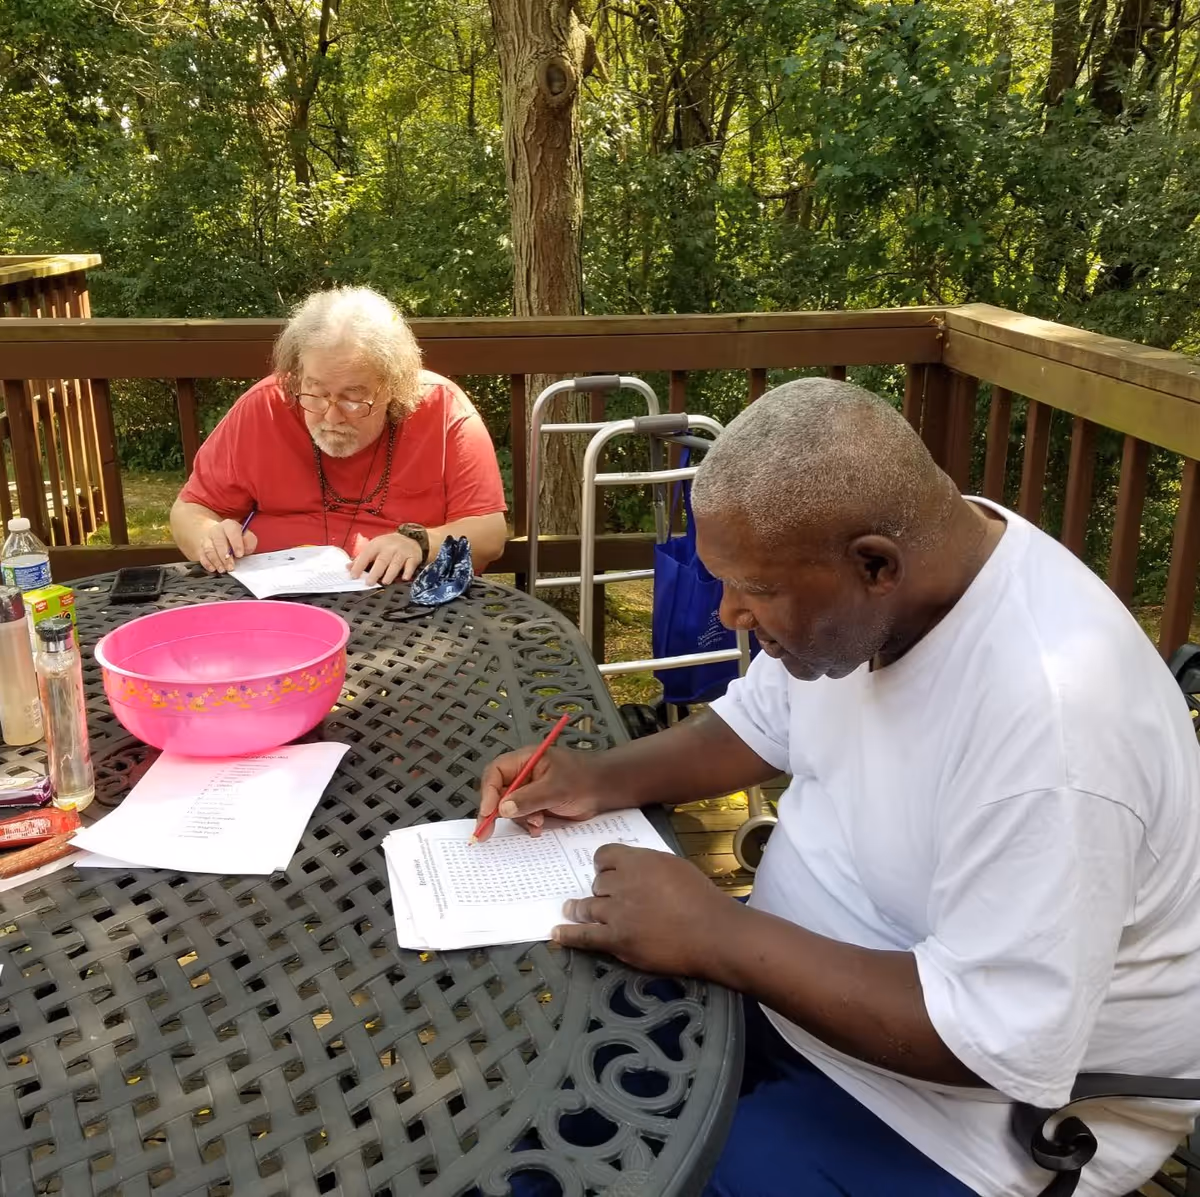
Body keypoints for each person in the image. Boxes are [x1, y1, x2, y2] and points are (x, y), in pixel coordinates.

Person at [475, 379, 1200, 1197]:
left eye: (755, 591)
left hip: (961, 1115)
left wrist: (713, 932)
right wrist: (595, 778)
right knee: (542, 1122)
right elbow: (754, 723)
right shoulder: (892, 583)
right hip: (782, 989)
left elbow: (992, 1037)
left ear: (874, 564)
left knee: (657, 1174)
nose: (729, 613)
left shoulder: (1056, 726)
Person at [170, 286, 508, 582]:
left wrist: (419, 542)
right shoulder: (265, 405)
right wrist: (209, 536)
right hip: (275, 606)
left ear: (393, 386)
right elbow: (190, 510)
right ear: (296, 376)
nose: (330, 416)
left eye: (353, 397)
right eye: (315, 392)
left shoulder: (442, 408)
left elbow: (489, 535)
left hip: (403, 611)